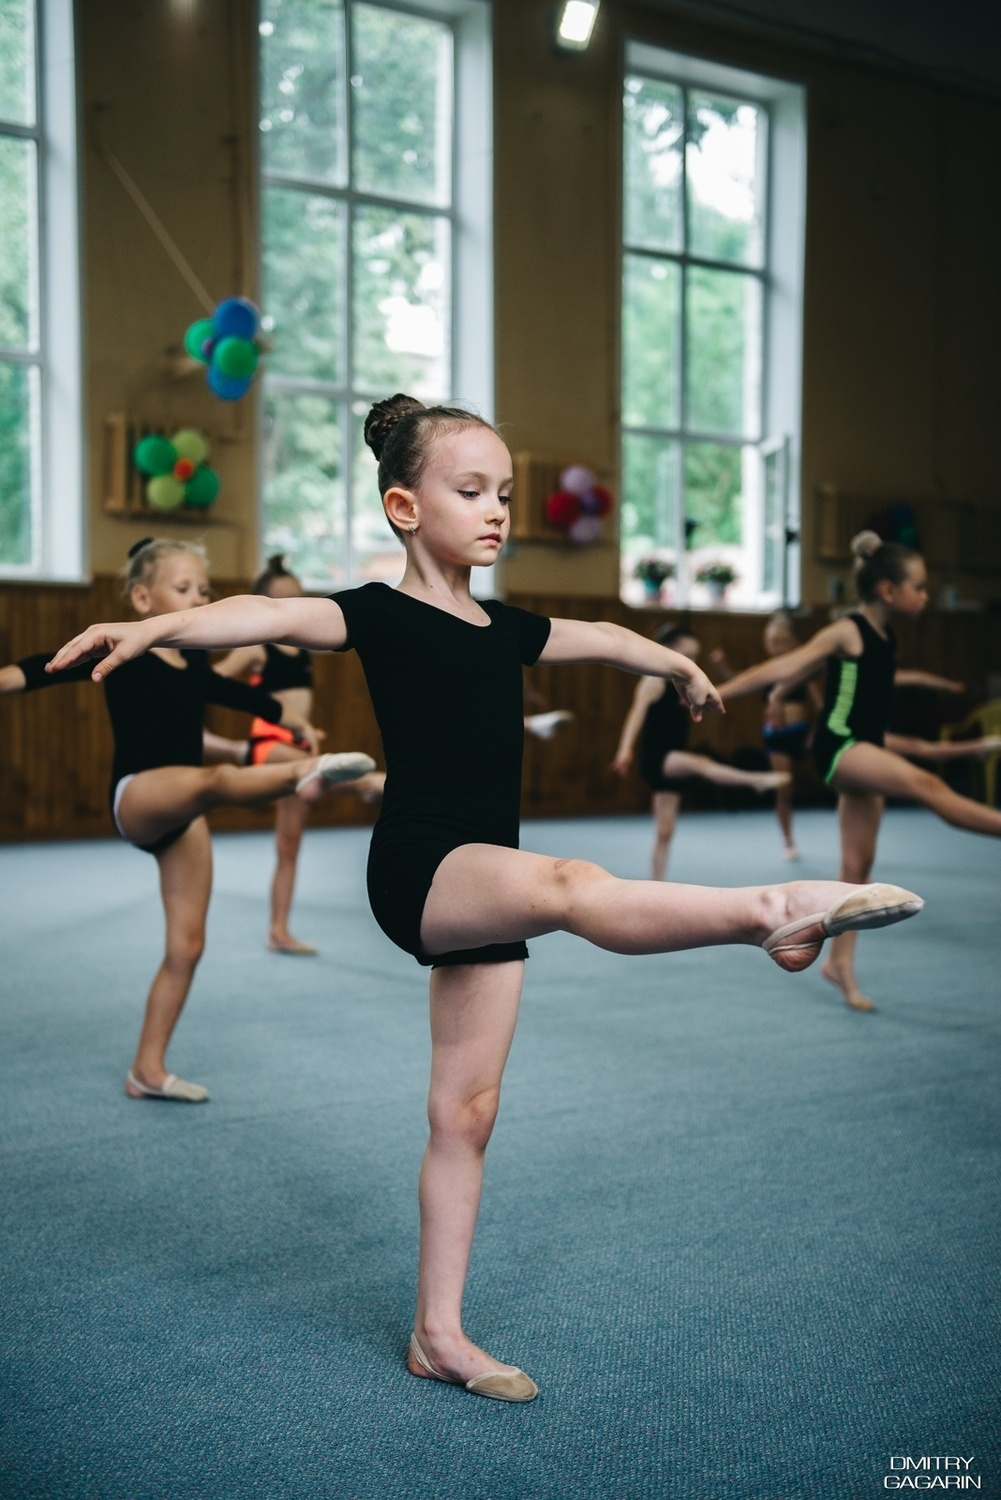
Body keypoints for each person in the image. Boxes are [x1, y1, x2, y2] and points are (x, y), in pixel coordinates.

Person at [47, 401, 924, 1401]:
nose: (497, 510)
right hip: (422, 869)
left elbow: (592, 633)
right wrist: (150, 623)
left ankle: (437, 1335)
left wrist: (670, 656)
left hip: (480, 881)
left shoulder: (504, 627)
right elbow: (258, 614)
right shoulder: (374, 611)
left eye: (504, 493)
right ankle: (770, 913)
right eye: (471, 492)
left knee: (466, 1113)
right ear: (404, 506)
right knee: (570, 886)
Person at [0, 539, 374, 1101]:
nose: (196, 598)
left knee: (188, 945)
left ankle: (146, 1070)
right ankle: (308, 773)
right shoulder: (118, 651)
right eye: (183, 589)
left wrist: (289, 720)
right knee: (214, 783)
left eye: (203, 591)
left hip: (181, 816)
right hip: (139, 797)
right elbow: (36, 672)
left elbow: (234, 695)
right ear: (142, 597)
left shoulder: (194, 661)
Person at [717, 530, 1001, 1011]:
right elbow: (787, 665)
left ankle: (839, 964)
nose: (926, 596)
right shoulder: (849, 629)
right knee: (926, 785)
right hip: (839, 746)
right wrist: (721, 690)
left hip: (863, 746)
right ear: (889, 590)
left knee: (856, 869)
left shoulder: (886, 639)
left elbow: (889, 725)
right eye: (921, 587)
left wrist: (963, 744)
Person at [214, 554, 385, 955]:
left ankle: (278, 931)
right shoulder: (255, 646)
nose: (292, 608)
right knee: (360, 777)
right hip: (269, 745)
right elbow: (214, 679)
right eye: (281, 601)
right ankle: (369, 783)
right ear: (263, 606)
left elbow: (350, 633)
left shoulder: (304, 646)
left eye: (297, 598)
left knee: (288, 847)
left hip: (300, 747)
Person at [611, 623, 790, 879]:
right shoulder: (652, 680)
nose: (693, 661)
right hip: (657, 758)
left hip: (670, 760)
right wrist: (624, 749)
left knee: (665, 833)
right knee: (701, 763)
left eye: (696, 655)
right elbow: (635, 714)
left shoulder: (681, 681)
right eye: (687, 655)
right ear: (667, 650)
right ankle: (755, 780)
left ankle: (656, 884)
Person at [712, 613, 824, 861]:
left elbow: (820, 707)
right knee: (784, 788)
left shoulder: (802, 671)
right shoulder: (764, 671)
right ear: (766, 644)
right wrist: (721, 666)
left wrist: (815, 733)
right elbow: (738, 681)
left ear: (793, 642)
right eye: (771, 641)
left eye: (782, 640)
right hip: (777, 736)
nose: (776, 646)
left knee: (835, 778)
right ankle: (788, 840)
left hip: (803, 732)